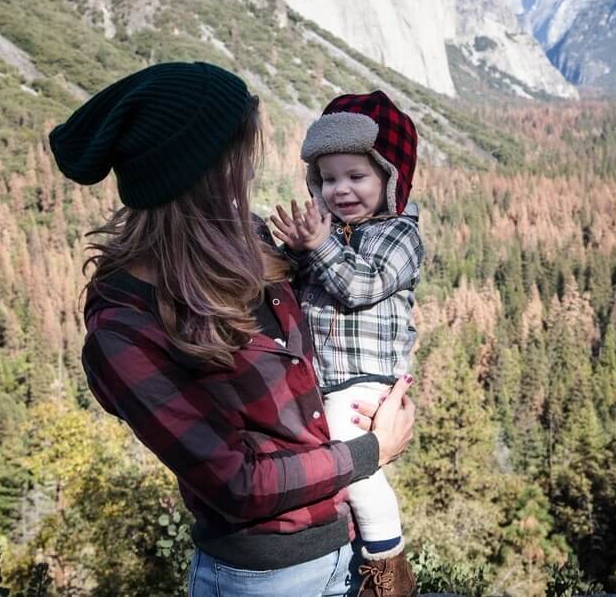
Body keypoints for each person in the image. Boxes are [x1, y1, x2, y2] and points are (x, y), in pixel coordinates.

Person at [48, 62, 416, 597]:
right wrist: (371, 451)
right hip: (264, 579)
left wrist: (382, 392)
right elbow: (237, 484)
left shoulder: (255, 241)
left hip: (346, 550)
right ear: (197, 170)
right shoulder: (122, 326)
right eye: (238, 158)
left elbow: (345, 318)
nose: (247, 175)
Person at [270, 91, 423, 597]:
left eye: (356, 176)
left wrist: (318, 246)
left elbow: (361, 287)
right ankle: (350, 555)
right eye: (328, 179)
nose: (341, 190)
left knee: (349, 458)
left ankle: (386, 568)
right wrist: (291, 250)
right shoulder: (329, 233)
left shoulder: (400, 235)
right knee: (324, 461)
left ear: (390, 177)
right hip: (325, 379)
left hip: (367, 380)